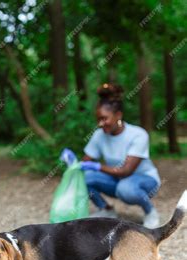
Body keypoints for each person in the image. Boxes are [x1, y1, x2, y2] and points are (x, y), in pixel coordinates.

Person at [65, 83, 161, 228]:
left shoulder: (138, 134)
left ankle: (150, 212)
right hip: (117, 180)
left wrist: (97, 166)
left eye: (104, 118)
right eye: (98, 119)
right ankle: (106, 210)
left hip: (145, 179)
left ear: (118, 115)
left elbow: (126, 171)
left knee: (125, 188)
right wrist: (73, 163)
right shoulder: (99, 135)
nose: (100, 124)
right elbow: (85, 161)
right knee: (85, 177)